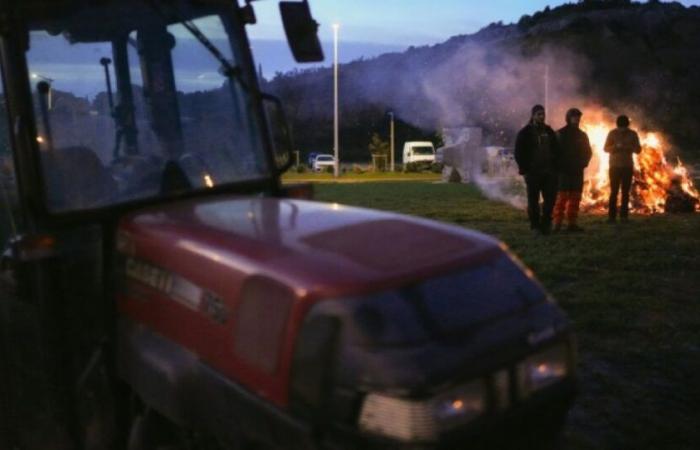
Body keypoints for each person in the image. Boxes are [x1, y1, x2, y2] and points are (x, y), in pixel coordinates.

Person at [515, 104, 560, 235]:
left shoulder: (549, 131)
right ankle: (535, 226)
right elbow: (519, 153)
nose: (542, 116)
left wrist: (555, 167)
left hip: (549, 172)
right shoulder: (525, 133)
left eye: (543, 114)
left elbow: (557, 150)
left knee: (550, 200)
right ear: (533, 116)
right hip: (533, 173)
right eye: (539, 114)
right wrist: (524, 169)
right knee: (533, 200)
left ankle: (546, 224)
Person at [553, 108, 592, 232]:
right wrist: (558, 166)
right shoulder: (560, 133)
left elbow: (588, 152)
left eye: (578, 117)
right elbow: (553, 152)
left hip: (577, 171)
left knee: (575, 198)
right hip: (563, 171)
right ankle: (557, 224)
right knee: (561, 199)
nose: (577, 119)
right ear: (568, 118)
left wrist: (583, 163)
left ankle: (572, 224)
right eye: (574, 116)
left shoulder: (582, 135)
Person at [604, 115, 641, 223]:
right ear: (617, 125)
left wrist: (629, 147)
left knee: (625, 192)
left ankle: (624, 217)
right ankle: (611, 217)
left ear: (627, 126)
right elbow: (605, 148)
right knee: (614, 192)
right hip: (614, 167)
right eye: (620, 128)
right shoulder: (612, 133)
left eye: (624, 128)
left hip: (627, 166)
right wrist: (615, 147)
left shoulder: (633, 134)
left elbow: (638, 150)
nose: (622, 130)